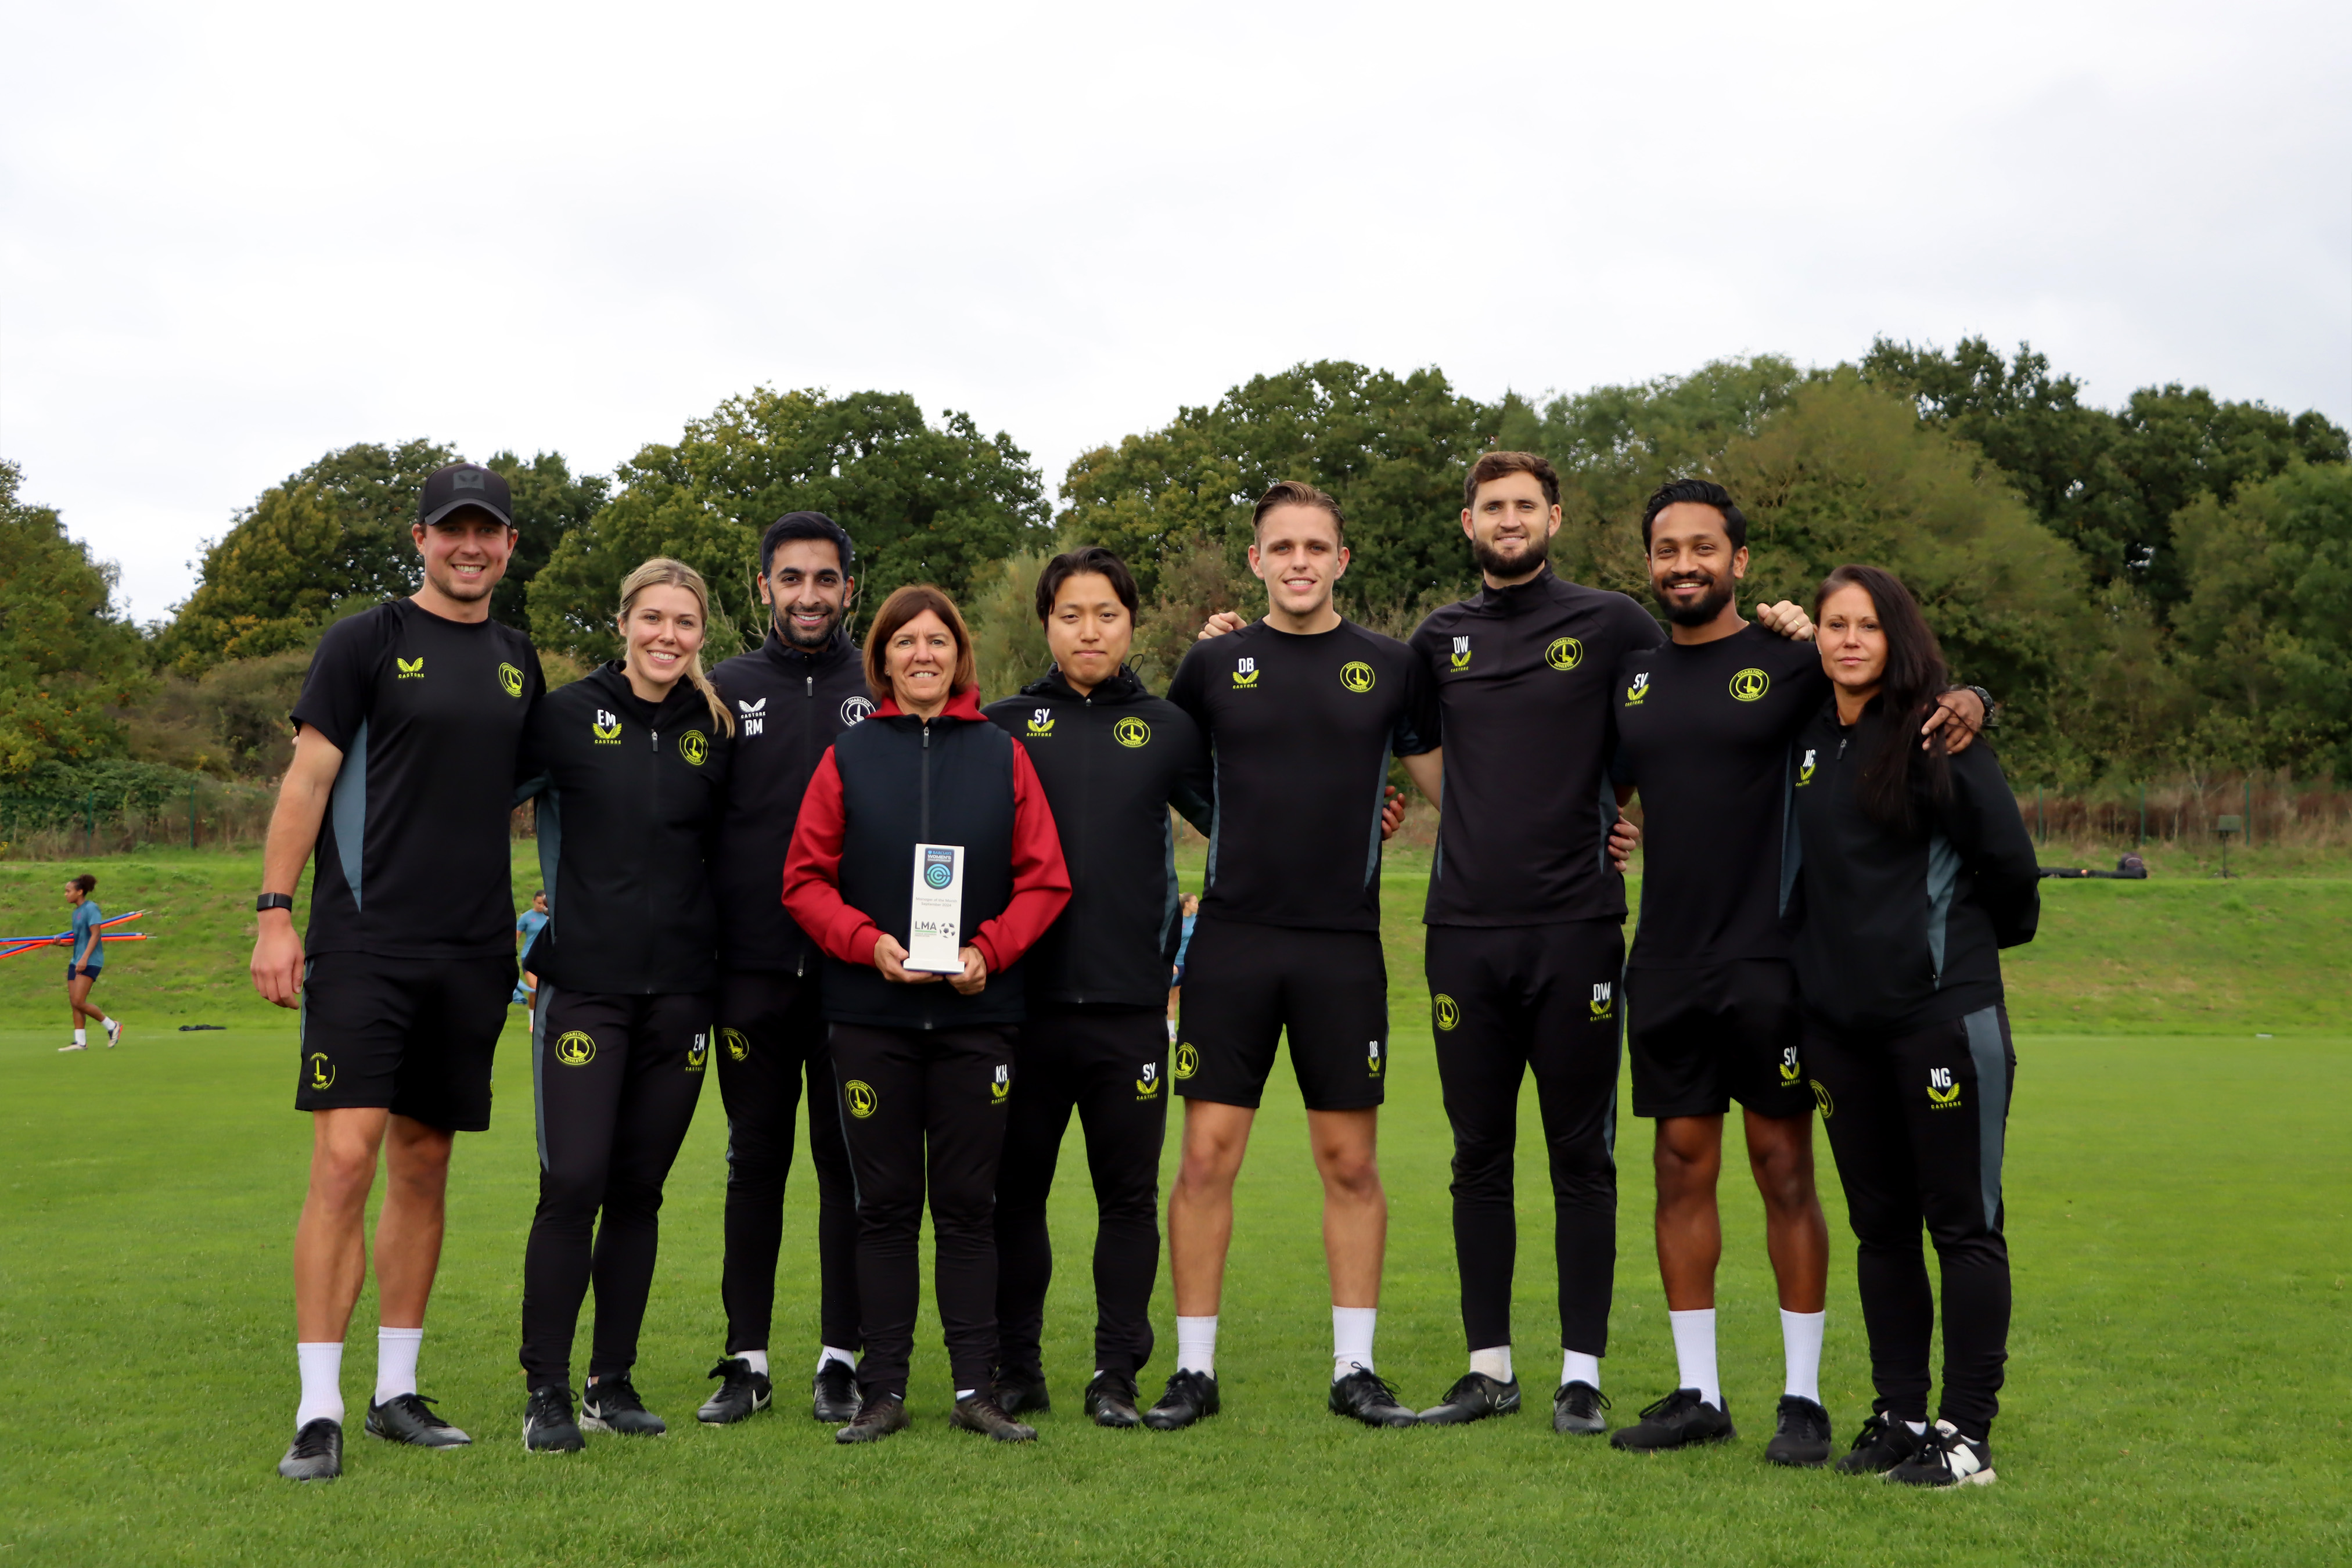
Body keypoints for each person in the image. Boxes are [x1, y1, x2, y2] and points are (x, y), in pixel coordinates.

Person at [1602, 480, 1986, 1463]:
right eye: (1665, 548)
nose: (1682, 563)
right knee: (1680, 1169)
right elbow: (1587, 781)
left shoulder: (1795, 661)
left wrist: (1977, 698)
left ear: (1740, 560)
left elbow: (1903, 678)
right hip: (1668, 962)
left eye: (1702, 547)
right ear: (1649, 562)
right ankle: (1698, 1394)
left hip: (1773, 961)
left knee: (1783, 1168)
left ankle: (1803, 1397)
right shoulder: (1635, 678)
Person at [251, 461, 545, 1481]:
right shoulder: (365, 641)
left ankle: (395, 1393)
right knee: (343, 1163)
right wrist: (276, 915)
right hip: (365, 943)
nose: (472, 547)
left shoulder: (519, 659)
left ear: (510, 547)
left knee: (426, 1165)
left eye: (490, 532)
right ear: (419, 539)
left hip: (475, 953)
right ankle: (319, 1408)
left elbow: (553, 795)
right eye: (453, 530)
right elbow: (309, 778)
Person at [1150, 480, 1437, 1433]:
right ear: (1257, 560)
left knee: (1349, 1162)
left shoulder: (1392, 668)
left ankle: (1354, 1368)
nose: (1301, 561)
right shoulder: (1213, 661)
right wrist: (1236, 833)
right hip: (1232, 940)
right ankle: (1194, 1371)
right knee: (1205, 1158)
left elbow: (1444, 777)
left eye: (1318, 546)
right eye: (1284, 547)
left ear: (1342, 560)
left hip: (1343, 947)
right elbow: (1177, 771)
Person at [782, 584, 1071, 1444]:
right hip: (869, 1017)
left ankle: (975, 1390)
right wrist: (867, 943)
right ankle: (883, 1392)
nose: (921, 655)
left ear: (958, 656)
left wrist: (990, 950)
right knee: (883, 1208)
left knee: (968, 1207)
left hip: (978, 1020)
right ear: (882, 659)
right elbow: (803, 882)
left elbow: (1044, 880)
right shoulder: (847, 756)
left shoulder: (1003, 755)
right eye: (905, 642)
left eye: (936, 641)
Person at [1790, 564, 2037, 1487]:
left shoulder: (1940, 735)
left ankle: (1965, 1433)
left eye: (1866, 625)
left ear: (1896, 636)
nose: (1847, 640)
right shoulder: (1809, 734)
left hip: (1941, 1019)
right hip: (1837, 1029)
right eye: (1832, 624)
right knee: (1879, 1229)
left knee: (1963, 1229)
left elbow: (2009, 869)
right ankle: (1897, 1414)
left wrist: (1956, 961)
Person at [981, 546, 1214, 1427]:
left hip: (1128, 1010)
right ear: (1046, 623)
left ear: (1130, 623)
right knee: (1015, 1196)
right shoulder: (998, 725)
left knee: (1126, 1199)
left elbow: (1243, 826)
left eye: (1106, 614)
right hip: (1017, 1009)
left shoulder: (1165, 727)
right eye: (1071, 614)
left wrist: (1366, 813)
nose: (1089, 630)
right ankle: (1015, 1367)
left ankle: (1115, 1373)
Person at [511, 559, 736, 1452]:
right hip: (585, 990)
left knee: (638, 1191)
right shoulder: (564, 717)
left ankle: (612, 1380)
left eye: (684, 623)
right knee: (572, 1185)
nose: (667, 636)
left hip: (682, 995)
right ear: (623, 623)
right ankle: (546, 1391)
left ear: (701, 635)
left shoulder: (714, 729)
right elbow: (464, 802)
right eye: (652, 618)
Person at [699, 512, 871, 1427]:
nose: (810, 596)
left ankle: (841, 1359)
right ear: (763, 586)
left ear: (851, 587)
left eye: (826, 579)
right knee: (752, 1164)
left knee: (845, 1168)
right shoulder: (724, 690)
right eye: (791, 579)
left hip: (856, 980)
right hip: (751, 978)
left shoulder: (880, 684)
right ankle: (746, 1357)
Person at [60, 874, 120, 1051]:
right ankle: (80, 1042)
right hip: (76, 960)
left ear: (80, 892)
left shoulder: (91, 908)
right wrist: (61, 943)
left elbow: (95, 935)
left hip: (90, 960)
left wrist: (84, 959)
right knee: (74, 1002)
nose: (66, 894)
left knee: (79, 1001)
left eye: (68, 891)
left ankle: (112, 1026)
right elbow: (79, 939)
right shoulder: (76, 912)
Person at [1167, 893, 1199, 1042]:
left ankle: (1186, 1030)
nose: (1197, 905)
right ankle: (1170, 1031)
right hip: (1176, 964)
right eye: (1194, 902)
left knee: (1189, 997)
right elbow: (1169, 941)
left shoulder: (1196, 919)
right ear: (1186, 904)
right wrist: (1170, 962)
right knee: (1173, 997)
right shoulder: (1177, 919)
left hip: (1190, 964)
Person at [514, 891, 549, 1011]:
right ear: (534, 901)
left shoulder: (551, 915)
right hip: (529, 956)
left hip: (548, 956)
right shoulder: (527, 917)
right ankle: (532, 1019)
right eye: (539, 903)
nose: (541, 906)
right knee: (535, 989)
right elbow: (516, 936)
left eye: (543, 903)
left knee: (548, 991)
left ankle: (545, 1018)